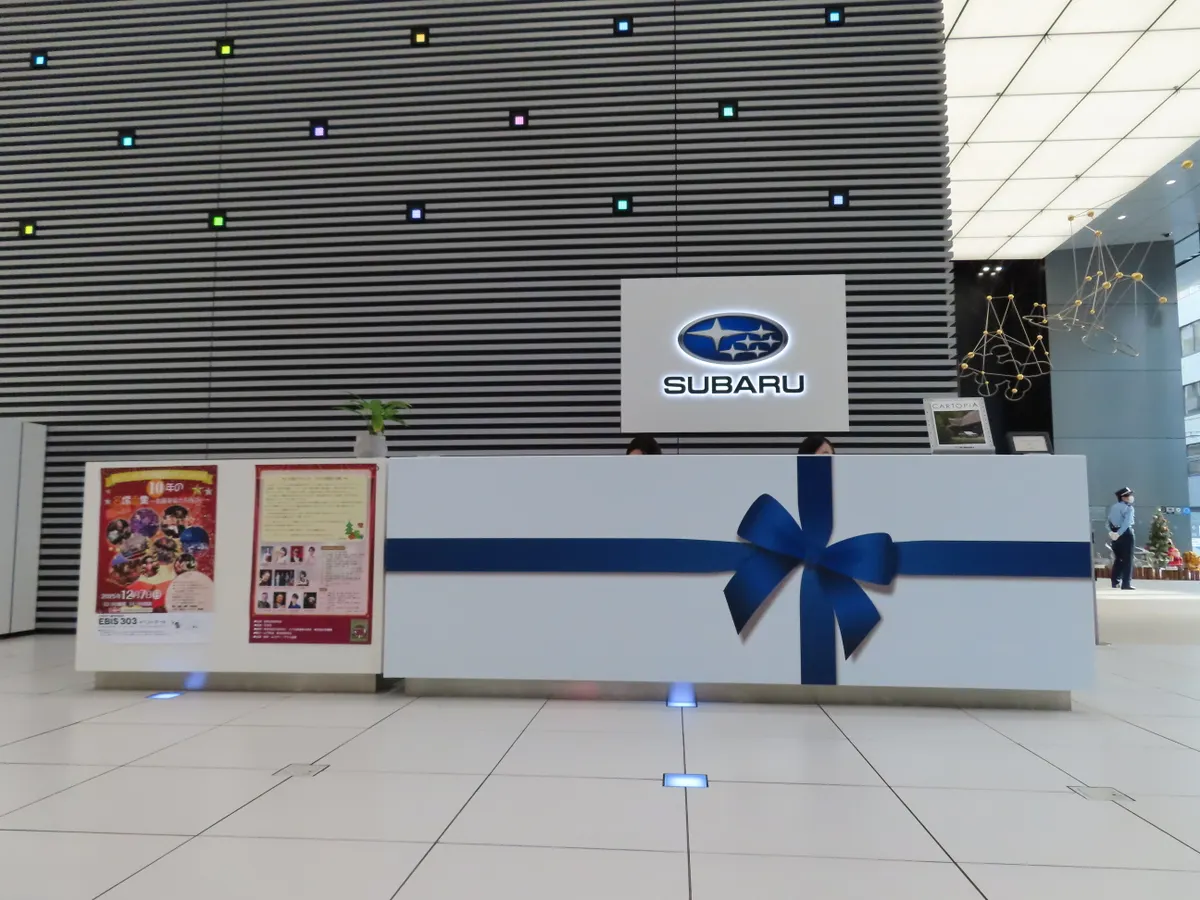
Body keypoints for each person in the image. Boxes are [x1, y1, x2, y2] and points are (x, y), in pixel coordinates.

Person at [1107, 487, 1136, 590]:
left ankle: (1115, 582)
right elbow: (1127, 523)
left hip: (1114, 533)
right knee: (1128, 559)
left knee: (1118, 558)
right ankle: (1126, 583)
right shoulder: (1129, 508)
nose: (1131, 497)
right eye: (1128, 495)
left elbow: (1108, 522)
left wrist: (1112, 532)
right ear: (1123, 497)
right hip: (1126, 534)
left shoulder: (1114, 507)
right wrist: (1119, 533)